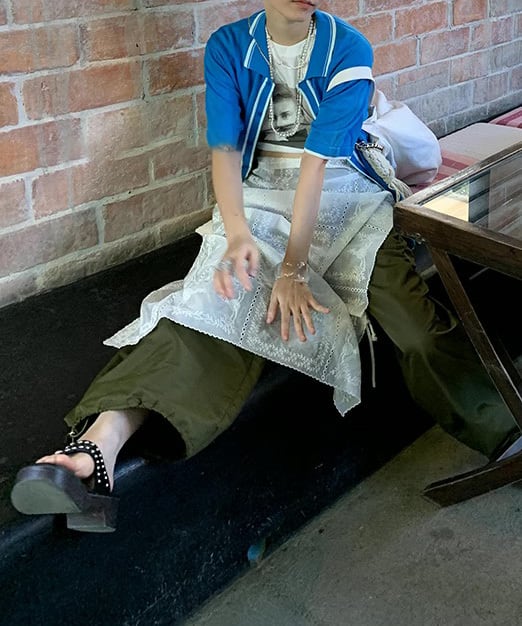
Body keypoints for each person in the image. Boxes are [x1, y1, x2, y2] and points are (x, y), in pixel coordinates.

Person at [10, 0, 520, 532]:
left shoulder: (348, 49)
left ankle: (506, 430)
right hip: (259, 203)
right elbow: (226, 152)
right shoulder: (230, 47)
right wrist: (236, 235)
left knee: (410, 322)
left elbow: (318, 165)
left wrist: (292, 270)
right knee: (214, 306)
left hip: (348, 193)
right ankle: (95, 452)